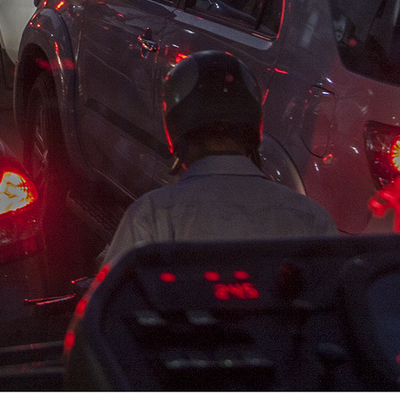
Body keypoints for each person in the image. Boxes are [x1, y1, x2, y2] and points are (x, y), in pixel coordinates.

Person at [102, 51, 337, 263]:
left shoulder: (152, 215)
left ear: (176, 128)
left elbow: (108, 299)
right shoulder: (312, 219)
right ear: (254, 128)